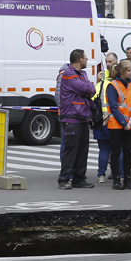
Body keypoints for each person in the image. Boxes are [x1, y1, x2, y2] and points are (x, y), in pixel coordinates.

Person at [57, 48, 96, 189]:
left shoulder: (82, 74)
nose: (87, 60)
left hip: (82, 117)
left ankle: (79, 179)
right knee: (70, 150)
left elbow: (88, 89)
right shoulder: (68, 74)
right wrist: (89, 88)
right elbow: (86, 88)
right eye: (85, 58)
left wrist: (88, 88)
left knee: (82, 150)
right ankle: (64, 179)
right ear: (80, 60)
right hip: (72, 117)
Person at [106, 60, 131, 190]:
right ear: (122, 72)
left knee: (127, 152)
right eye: (129, 70)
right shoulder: (113, 86)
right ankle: (116, 180)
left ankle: (127, 179)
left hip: (130, 125)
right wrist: (124, 123)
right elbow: (113, 107)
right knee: (115, 152)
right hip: (116, 125)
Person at [92, 52, 120, 183]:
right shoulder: (119, 81)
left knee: (104, 150)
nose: (108, 64)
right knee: (115, 150)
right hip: (113, 121)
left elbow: (92, 99)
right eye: (107, 62)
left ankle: (101, 175)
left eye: (110, 62)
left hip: (103, 121)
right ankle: (117, 173)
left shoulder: (101, 82)